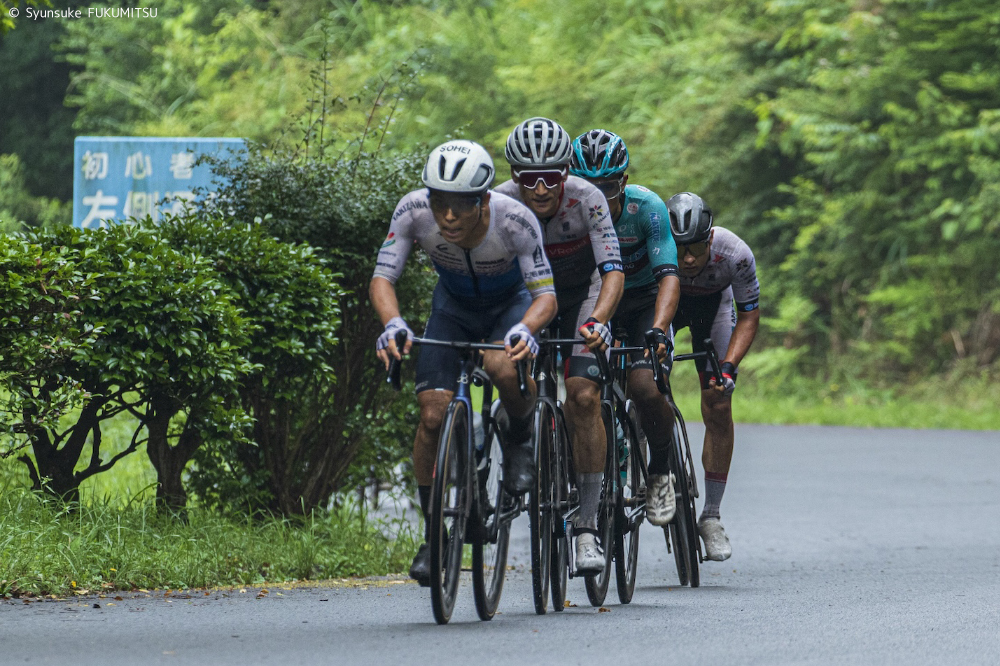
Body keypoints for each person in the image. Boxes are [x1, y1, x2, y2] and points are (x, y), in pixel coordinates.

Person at [370, 140, 558, 584]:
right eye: (440, 203)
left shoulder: (516, 220)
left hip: (509, 308)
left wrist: (525, 329)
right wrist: (393, 322)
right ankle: (434, 533)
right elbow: (383, 278)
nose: (449, 216)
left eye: (461, 205)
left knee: (501, 366)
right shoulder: (413, 211)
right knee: (432, 417)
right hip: (452, 309)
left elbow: (546, 297)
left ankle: (518, 435)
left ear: (484, 199)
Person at [495, 117, 624, 573]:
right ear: (514, 175)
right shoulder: (499, 204)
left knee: (584, 396)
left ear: (567, 171)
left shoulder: (588, 199)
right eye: (529, 177)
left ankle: (587, 527)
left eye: (551, 176)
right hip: (528, 298)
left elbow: (612, 271)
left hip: (581, 297)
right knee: (507, 379)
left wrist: (598, 321)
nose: (541, 188)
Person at [569, 129, 681, 527]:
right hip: (597, 300)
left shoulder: (646, 208)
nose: (598, 196)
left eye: (609, 187)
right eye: (588, 187)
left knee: (645, 387)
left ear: (625, 182)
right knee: (582, 392)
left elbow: (669, 276)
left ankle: (660, 469)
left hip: (644, 301)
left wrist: (659, 328)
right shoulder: (566, 215)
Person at [665, 192, 760, 561]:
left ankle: (711, 516)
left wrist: (729, 367)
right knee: (643, 381)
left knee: (718, 403)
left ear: (710, 239)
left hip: (713, 309)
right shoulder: (654, 248)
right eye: (680, 249)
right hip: (666, 303)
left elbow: (748, 316)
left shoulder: (735, 254)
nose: (688, 258)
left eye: (696, 248)